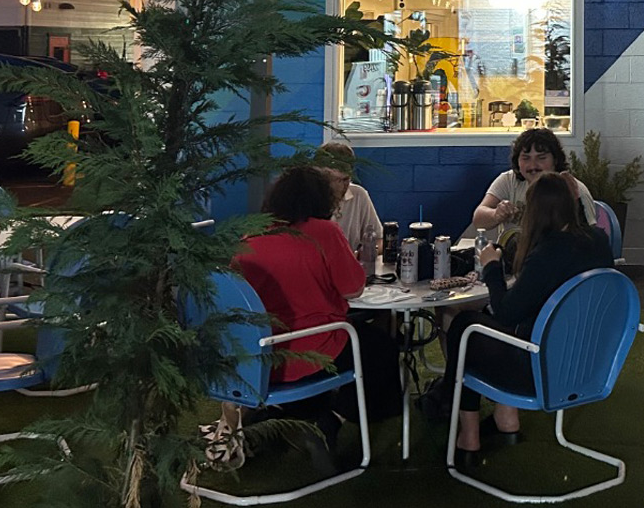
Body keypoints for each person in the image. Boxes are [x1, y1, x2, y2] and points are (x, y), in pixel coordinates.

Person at [422, 172, 614, 465]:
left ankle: (467, 435)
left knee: (465, 325)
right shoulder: (598, 241)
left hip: (539, 368)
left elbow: (506, 311)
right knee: (478, 328)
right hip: (586, 362)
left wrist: (491, 268)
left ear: (535, 211)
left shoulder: (548, 253)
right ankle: (504, 420)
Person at [233, 166, 401, 464]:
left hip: (260, 358)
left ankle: (286, 414)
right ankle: (332, 421)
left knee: (361, 342)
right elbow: (354, 289)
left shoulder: (250, 237)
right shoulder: (323, 232)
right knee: (382, 347)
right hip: (315, 350)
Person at [472, 128, 597, 244]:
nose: (533, 165)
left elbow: (589, 241)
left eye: (541, 158)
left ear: (556, 160)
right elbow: (478, 219)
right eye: (526, 158)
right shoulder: (508, 180)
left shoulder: (574, 189)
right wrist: (496, 214)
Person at [316, 141, 384, 263]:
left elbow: (379, 239)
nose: (339, 187)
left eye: (345, 179)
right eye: (332, 180)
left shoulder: (359, 195)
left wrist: (366, 252)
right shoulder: (305, 198)